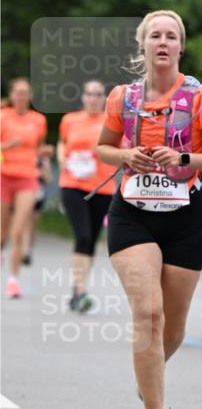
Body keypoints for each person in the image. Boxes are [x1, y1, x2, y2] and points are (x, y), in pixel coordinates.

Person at [96, 10, 202, 409]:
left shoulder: (200, 97)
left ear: (180, 47)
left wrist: (184, 158)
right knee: (148, 314)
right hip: (132, 214)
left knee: (172, 328)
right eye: (155, 35)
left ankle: (149, 372)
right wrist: (125, 156)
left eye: (171, 36)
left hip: (187, 218)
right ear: (143, 44)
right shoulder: (124, 97)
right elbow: (103, 148)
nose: (163, 42)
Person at [57, 80, 115, 311]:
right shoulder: (70, 120)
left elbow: (120, 150)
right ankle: (81, 291)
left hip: (102, 187)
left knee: (91, 239)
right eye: (89, 94)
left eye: (98, 94)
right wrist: (62, 158)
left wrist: (100, 150)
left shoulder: (111, 122)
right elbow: (62, 143)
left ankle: (77, 289)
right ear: (83, 97)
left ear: (104, 98)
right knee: (82, 235)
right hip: (72, 184)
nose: (93, 98)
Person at [0, 78, 50, 298]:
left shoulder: (38, 120)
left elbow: (38, 148)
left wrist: (44, 153)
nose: (21, 96)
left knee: (18, 230)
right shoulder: (3, 116)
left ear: (30, 96)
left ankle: (13, 280)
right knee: (2, 232)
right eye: (18, 92)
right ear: (11, 95)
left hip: (28, 178)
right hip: (3, 176)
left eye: (25, 93)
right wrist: (7, 146)